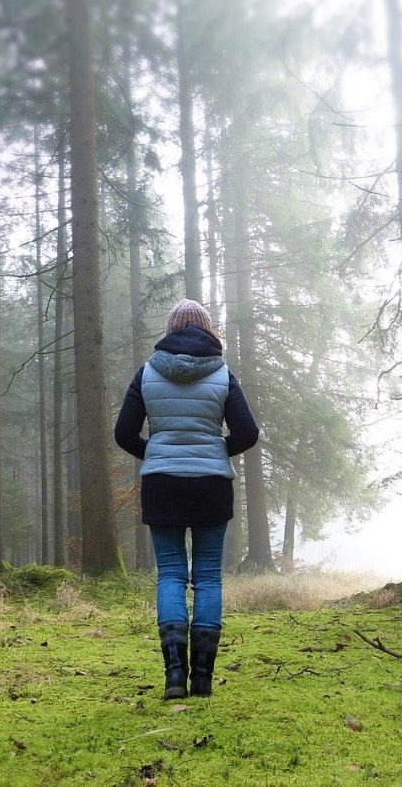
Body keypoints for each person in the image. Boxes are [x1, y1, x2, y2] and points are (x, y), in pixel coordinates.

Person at [114, 299, 259, 699]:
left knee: (172, 575)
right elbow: (247, 433)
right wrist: (212, 452)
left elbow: (124, 434)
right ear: (208, 330)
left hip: (162, 484)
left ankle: (174, 676)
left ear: (170, 330)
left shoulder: (146, 374)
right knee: (209, 576)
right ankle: (203, 679)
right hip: (211, 485)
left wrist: (160, 454)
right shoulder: (223, 374)